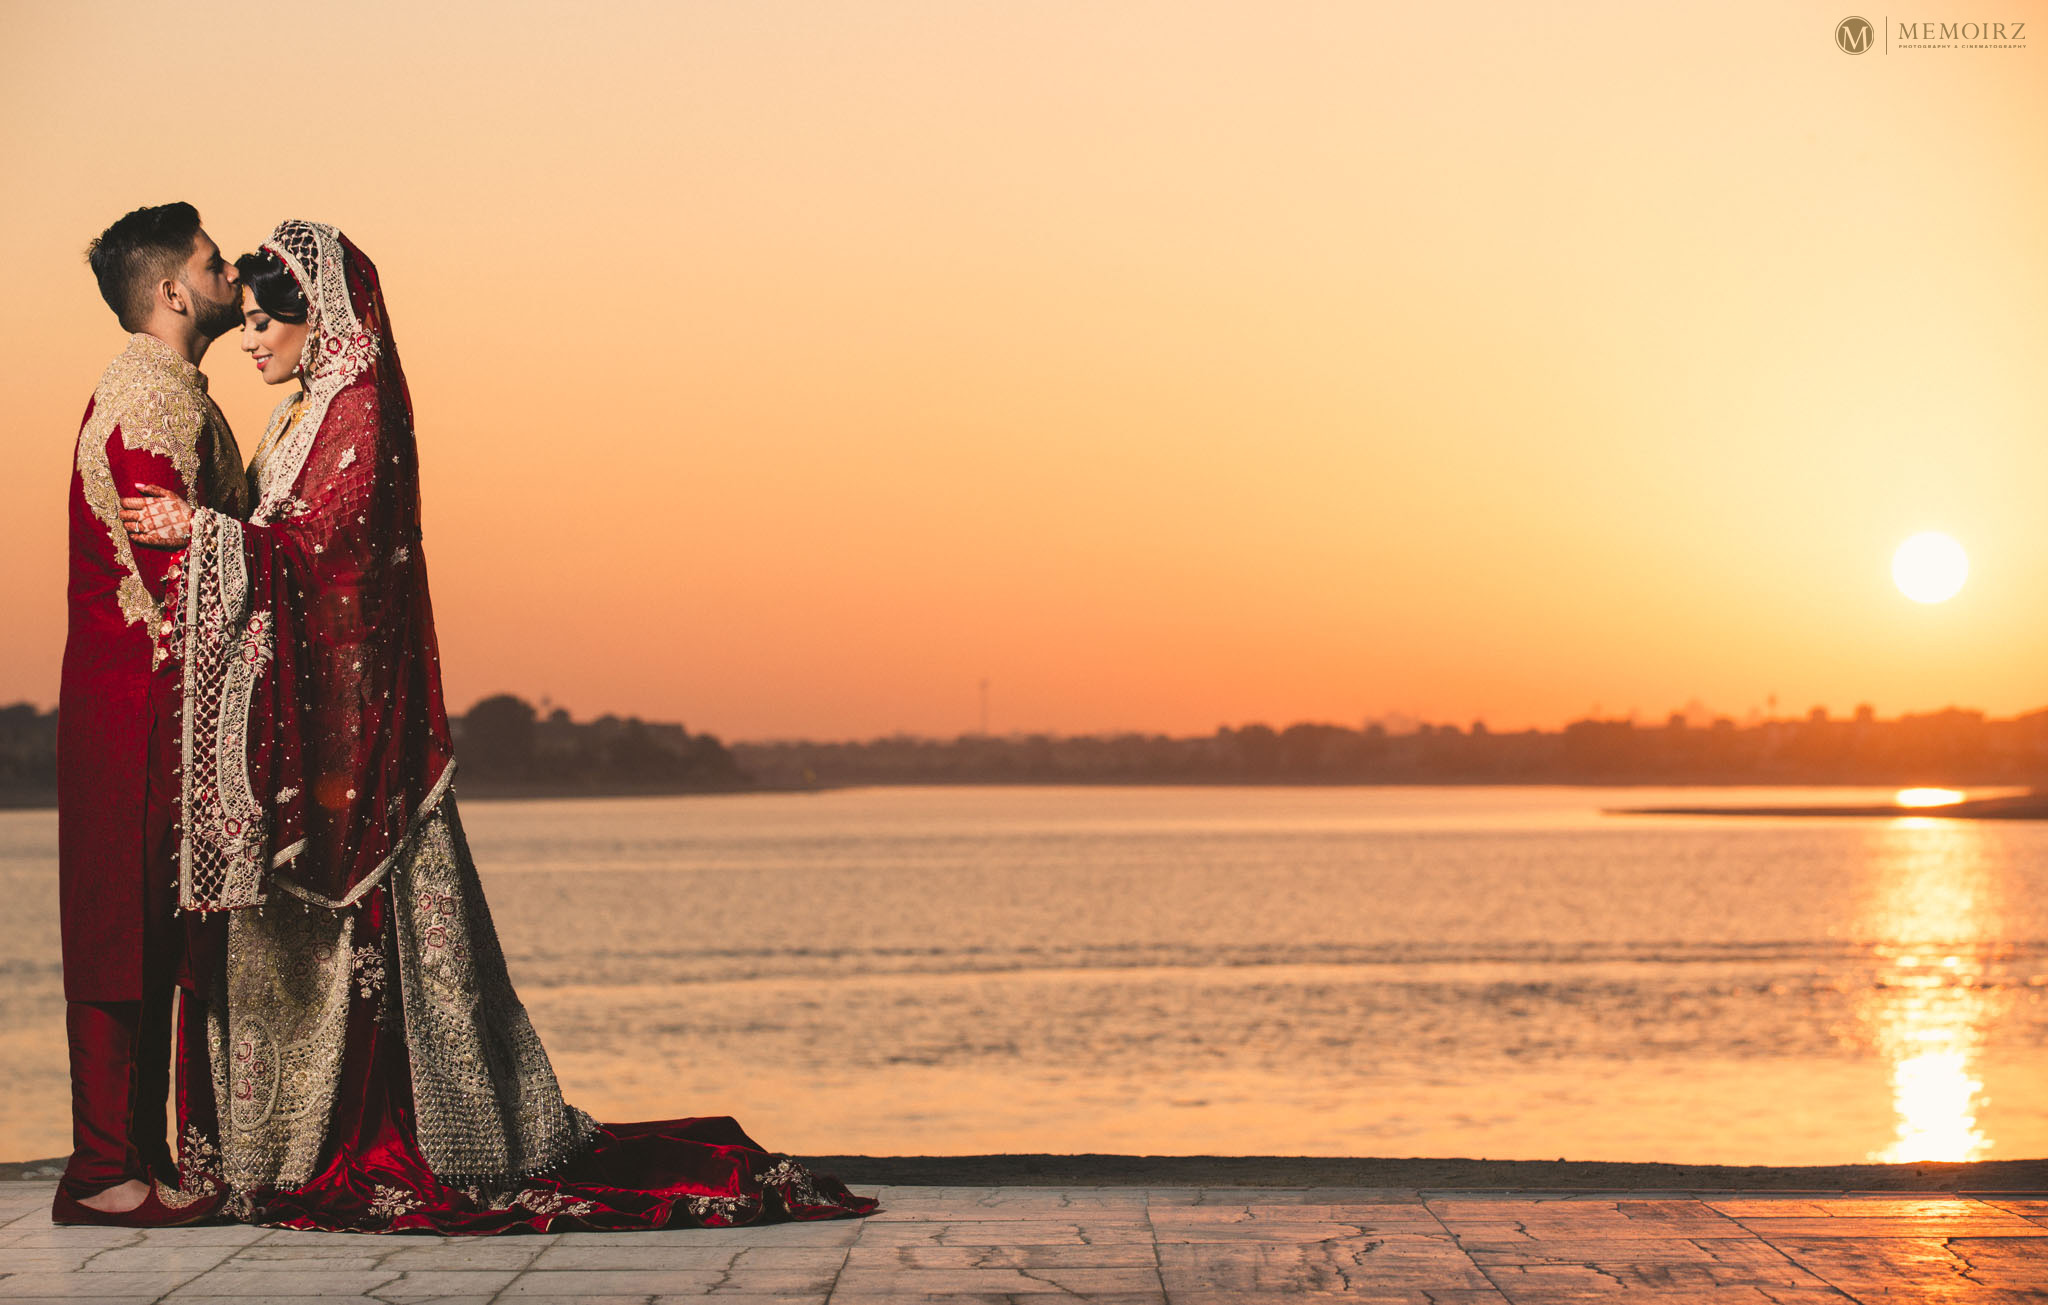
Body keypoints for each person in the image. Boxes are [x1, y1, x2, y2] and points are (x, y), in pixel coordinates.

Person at [118, 219, 875, 1233]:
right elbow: (283, 544)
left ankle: (394, 1146)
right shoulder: (299, 413)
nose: (249, 339)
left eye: (265, 321)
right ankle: (275, 1154)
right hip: (305, 745)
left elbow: (332, 551)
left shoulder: (361, 408)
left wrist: (205, 533)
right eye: (243, 319)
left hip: (361, 752)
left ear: (321, 318)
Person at [53, 203, 248, 1227]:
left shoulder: (175, 394)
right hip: (138, 706)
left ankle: (136, 1162)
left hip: (152, 707)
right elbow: (176, 574)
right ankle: (101, 1175)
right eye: (216, 264)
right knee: (121, 930)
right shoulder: (148, 401)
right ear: (173, 291)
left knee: (153, 933)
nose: (232, 277)